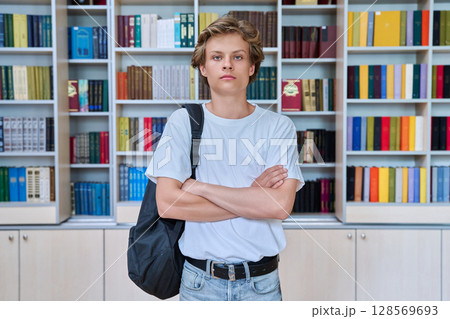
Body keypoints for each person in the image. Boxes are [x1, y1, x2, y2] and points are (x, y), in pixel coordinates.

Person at [145, 16, 304, 301]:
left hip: (261, 286)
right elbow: (169, 204)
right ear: (204, 67)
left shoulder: (278, 127)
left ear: (251, 67)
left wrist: (200, 188)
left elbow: (280, 205)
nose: (227, 64)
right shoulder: (183, 122)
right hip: (199, 284)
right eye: (217, 57)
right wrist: (254, 197)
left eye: (238, 57)